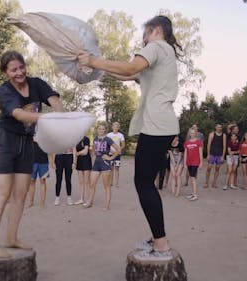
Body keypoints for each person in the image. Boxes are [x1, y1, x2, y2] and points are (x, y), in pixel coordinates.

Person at [78, 15, 181, 260]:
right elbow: (128, 75)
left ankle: (162, 244)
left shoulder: (156, 47)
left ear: (155, 30)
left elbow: (130, 66)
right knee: (146, 183)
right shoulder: (163, 54)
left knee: (143, 184)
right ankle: (158, 238)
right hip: (161, 126)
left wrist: (93, 59)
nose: (143, 39)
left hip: (156, 126)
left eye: (145, 33)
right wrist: (98, 68)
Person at [0, 50, 64, 258]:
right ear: (6, 72)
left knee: (20, 195)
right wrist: (49, 120)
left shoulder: (36, 83)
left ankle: (12, 238)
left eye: (21, 67)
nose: (19, 72)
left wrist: (59, 113)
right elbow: (20, 115)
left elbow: (54, 99)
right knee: (1, 194)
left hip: (27, 144)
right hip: (5, 143)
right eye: (13, 70)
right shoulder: (4, 91)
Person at [83, 123, 120, 210]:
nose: (101, 130)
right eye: (99, 129)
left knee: (106, 186)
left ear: (105, 130)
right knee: (91, 184)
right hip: (96, 164)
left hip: (105, 164)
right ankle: (90, 202)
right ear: (97, 130)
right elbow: (95, 150)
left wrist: (110, 157)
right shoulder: (95, 138)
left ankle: (106, 206)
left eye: (103, 129)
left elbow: (118, 149)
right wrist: (93, 154)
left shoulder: (108, 139)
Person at [28, 140, 49, 208]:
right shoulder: (30, 130)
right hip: (32, 160)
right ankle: (31, 202)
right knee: (31, 181)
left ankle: (42, 203)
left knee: (42, 181)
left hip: (43, 160)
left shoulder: (46, 131)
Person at [204, 124, 226, 189]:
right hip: (212, 154)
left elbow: (224, 146)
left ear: (221, 128)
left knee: (217, 168)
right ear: (215, 127)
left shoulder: (224, 135)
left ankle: (214, 182)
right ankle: (206, 182)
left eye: (220, 127)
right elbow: (208, 145)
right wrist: (208, 154)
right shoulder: (212, 134)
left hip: (219, 154)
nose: (219, 128)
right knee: (209, 168)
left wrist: (223, 156)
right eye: (218, 127)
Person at [183, 128, 203, 201]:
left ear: (196, 133)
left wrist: (201, 162)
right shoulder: (187, 142)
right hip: (189, 162)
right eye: (191, 133)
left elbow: (200, 152)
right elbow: (185, 153)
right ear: (189, 133)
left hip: (195, 162)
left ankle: (195, 195)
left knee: (193, 178)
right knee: (192, 178)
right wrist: (185, 163)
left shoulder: (198, 142)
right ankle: (192, 193)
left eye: (193, 133)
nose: (192, 134)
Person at [107, 122, 126, 188]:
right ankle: (111, 183)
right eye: (114, 126)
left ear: (118, 128)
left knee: (117, 168)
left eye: (117, 126)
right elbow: (106, 144)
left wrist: (118, 150)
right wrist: (109, 150)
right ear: (112, 127)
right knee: (111, 168)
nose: (115, 127)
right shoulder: (109, 135)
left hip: (117, 154)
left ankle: (116, 183)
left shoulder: (121, 135)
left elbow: (123, 145)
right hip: (110, 154)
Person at [75, 136, 92, 205]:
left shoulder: (86, 139)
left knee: (87, 182)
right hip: (79, 161)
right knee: (81, 182)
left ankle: (88, 200)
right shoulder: (76, 139)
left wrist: (78, 153)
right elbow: (74, 150)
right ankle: (81, 199)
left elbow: (85, 152)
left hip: (86, 161)